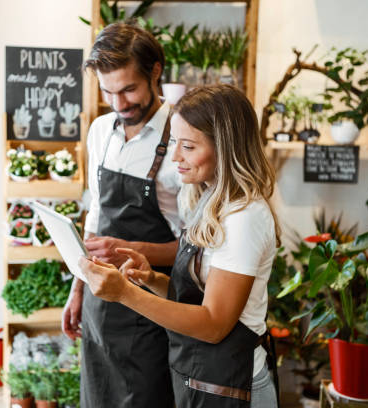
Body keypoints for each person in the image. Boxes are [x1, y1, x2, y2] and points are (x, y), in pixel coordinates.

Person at [80, 84, 281, 408]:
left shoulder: (244, 216)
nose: (175, 158)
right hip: (202, 381)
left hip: (232, 388)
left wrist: (125, 294)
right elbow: (202, 295)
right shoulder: (210, 200)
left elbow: (214, 323)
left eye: (188, 146)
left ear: (225, 148)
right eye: (174, 143)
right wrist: (150, 280)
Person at [61, 22, 182, 408]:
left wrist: (130, 248)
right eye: (108, 91)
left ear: (155, 72)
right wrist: (78, 288)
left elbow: (196, 250)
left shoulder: (183, 140)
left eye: (129, 88)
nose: (119, 103)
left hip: (154, 309)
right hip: (100, 304)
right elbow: (96, 214)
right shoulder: (100, 131)